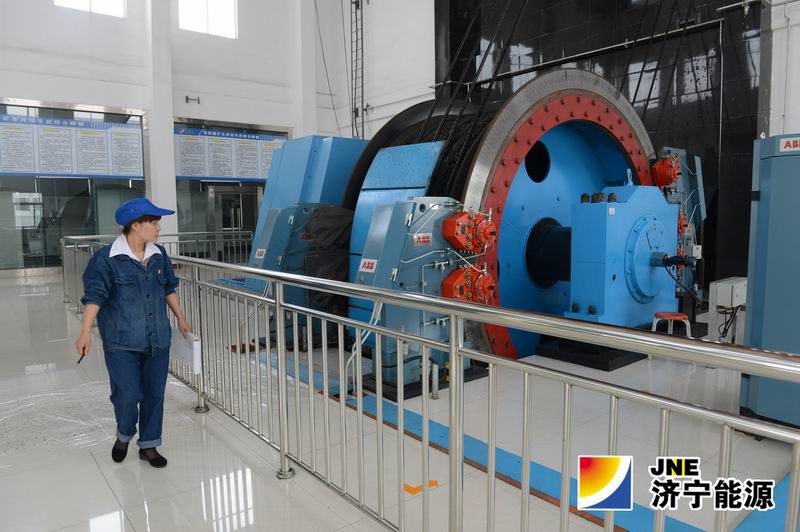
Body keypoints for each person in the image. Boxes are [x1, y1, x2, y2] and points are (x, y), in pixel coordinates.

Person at [75, 198, 191, 468]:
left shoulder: (159, 254)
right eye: (153, 222)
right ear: (135, 225)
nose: (159, 228)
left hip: (157, 338)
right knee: (126, 396)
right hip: (121, 341)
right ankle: (124, 433)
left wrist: (180, 318)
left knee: (154, 395)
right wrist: (85, 332)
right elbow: (94, 296)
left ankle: (149, 445)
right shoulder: (106, 259)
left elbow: (168, 288)